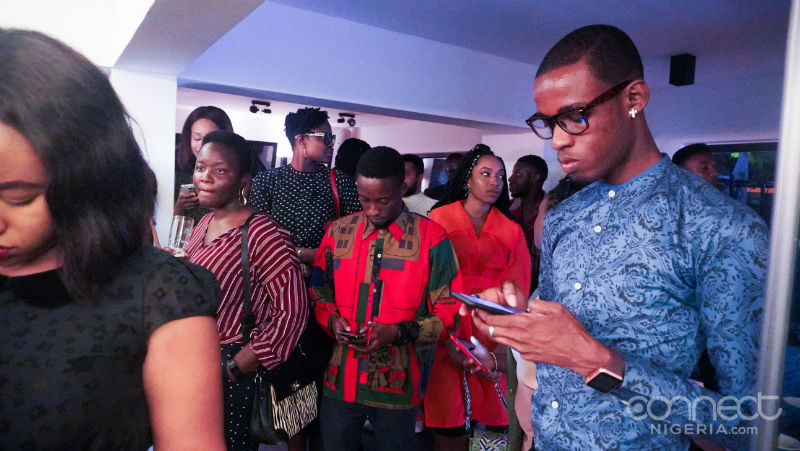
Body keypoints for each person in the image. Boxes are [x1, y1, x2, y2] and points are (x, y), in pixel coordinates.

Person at [469, 24, 768, 450]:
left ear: (634, 98)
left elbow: (743, 424)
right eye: (548, 123)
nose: (558, 140)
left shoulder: (719, 226)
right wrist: (518, 315)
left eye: (576, 116)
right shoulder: (564, 216)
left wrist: (596, 361)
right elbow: (553, 337)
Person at [0, 29, 224, 450]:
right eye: (197, 150)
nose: (205, 174)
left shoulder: (157, 292)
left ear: (85, 179)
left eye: (19, 198)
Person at [309, 146, 463, 451]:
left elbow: (450, 309)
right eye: (365, 200)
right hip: (342, 379)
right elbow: (318, 289)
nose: (373, 210)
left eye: (383, 201)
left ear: (402, 188)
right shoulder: (338, 232)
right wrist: (332, 320)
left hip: (399, 384)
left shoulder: (431, 238)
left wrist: (398, 332)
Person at [184, 130, 308, 451]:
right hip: (197, 359)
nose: (205, 177)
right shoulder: (203, 224)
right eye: (200, 167)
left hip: (233, 367)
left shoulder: (263, 233)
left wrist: (240, 364)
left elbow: (293, 311)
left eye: (220, 170)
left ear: (243, 180)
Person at [249, 107, 361, 449]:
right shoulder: (268, 181)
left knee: (324, 378)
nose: (331, 144)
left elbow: (356, 240)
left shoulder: (339, 182)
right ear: (300, 141)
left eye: (331, 137)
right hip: (280, 300)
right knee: (289, 382)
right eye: (324, 137)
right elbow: (255, 241)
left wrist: (302, 253)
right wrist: (305, 254)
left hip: (328, 296)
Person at [425, 145, 531, 450]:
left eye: (499, 175)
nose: (494, 182)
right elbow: (427, 280)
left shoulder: (511, 230)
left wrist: (498, 351)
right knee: (448, 422)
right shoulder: (439, 218)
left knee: (494, 424)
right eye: (485, 174)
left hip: (493, 331)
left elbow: (518, 289)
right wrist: (446, 337)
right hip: (447, 325)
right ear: (467, 180)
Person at [174, 106, 234, 222]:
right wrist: (179, 207)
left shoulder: (236, 175)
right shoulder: (178, 173)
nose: (202, 145)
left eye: (210, 138)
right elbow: (171, 226)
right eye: (197, 138)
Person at [508, 154, 547, 293]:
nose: (510, 179)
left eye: (518, 174)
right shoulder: (507, 210)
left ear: (535, 178)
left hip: (541, 292)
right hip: (510, 289)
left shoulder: (554, 211)